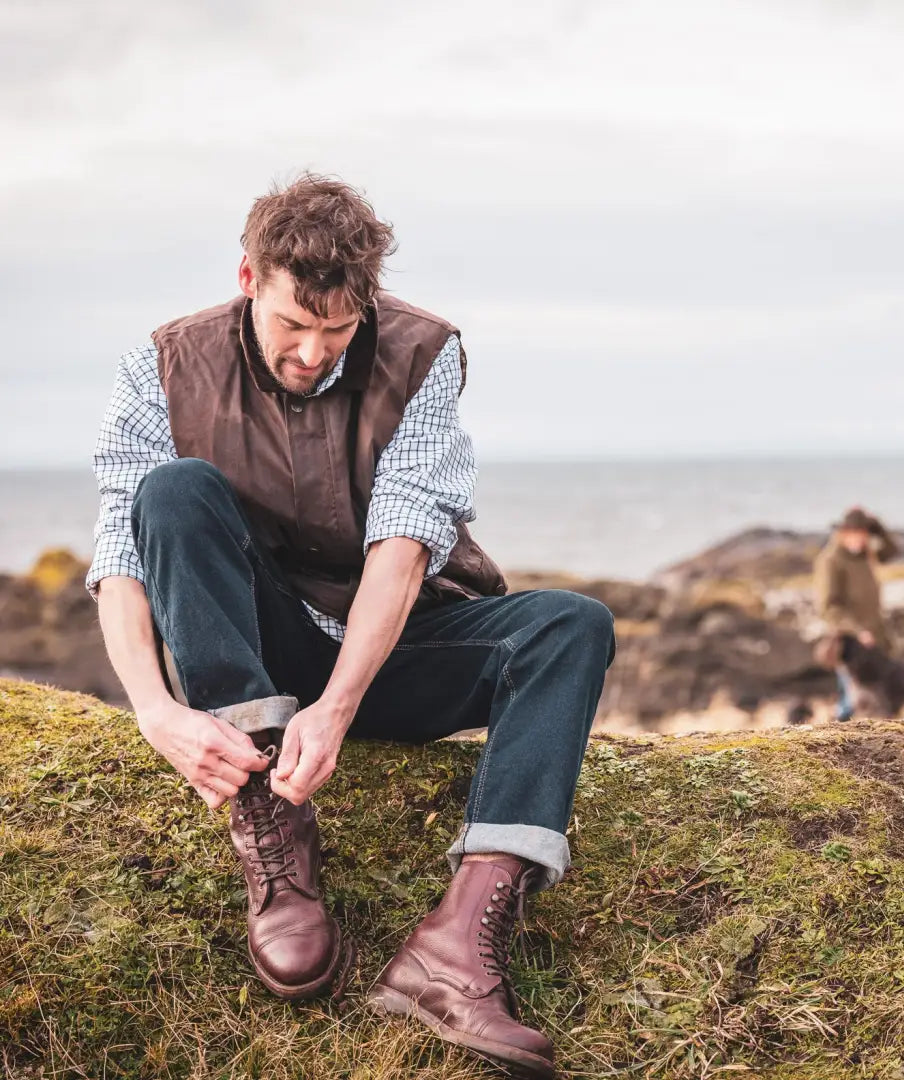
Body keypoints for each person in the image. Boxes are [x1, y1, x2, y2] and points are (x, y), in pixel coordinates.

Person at [87, 173, 616, 1079]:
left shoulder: (424, 352)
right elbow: (121, 549)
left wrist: (336, 707)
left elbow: (404, 544)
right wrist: (153, 707)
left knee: (572, 626)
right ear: (249, 277)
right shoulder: (166, 361)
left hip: (394, 644)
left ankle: (452, 950)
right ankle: (272, 831)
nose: (313, 352)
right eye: (295, 324)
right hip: (267, 658)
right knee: (169, 493)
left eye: (336, 330)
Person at [814, 507, 899, 721]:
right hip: (849, 641)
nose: (860, 539)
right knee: (851, 698)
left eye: (864, 534)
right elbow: (828, 607)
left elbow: (892, 551)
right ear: (843, 533)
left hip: (876, 637)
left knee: (880, 695)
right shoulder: (831, 560)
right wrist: (858, 630)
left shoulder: (865, 554)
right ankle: (832, 740)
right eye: (855, 534)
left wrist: (876, 525)